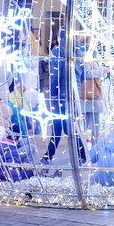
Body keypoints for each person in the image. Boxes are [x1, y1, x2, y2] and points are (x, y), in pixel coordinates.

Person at [40, 29, 86, 165]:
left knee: (61, 127)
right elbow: (82, 75)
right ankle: (79, 155)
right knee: (66, 127)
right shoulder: (78, 52)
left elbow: (55, 75)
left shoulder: (57, 52)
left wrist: (53, 93)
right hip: (74, 96)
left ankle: (49, 156)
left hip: (61, 96)